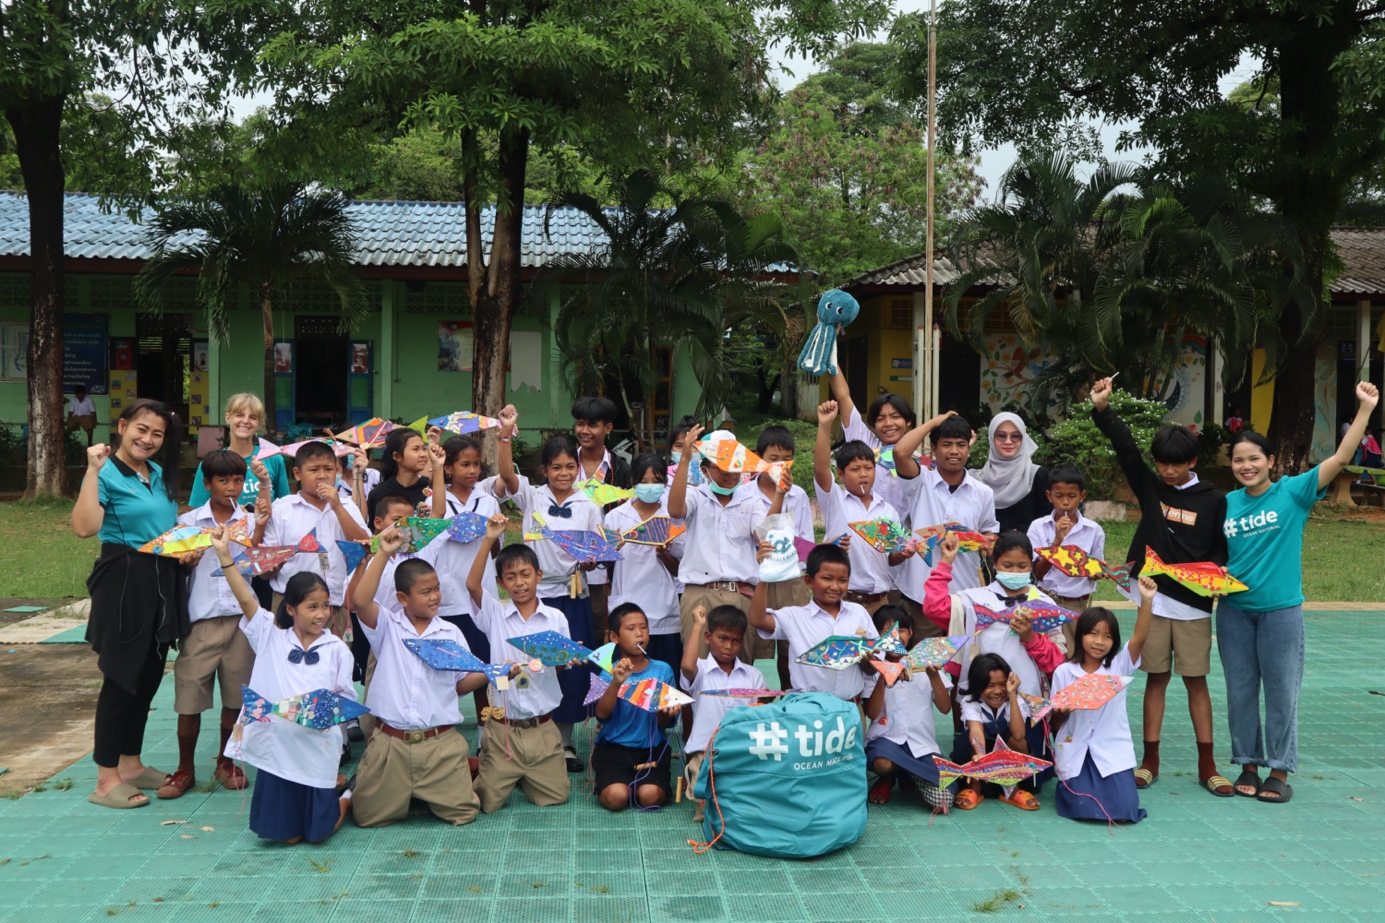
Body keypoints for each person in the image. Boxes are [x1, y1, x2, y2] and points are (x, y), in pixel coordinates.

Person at [1219, 381, 1379, 804]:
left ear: (1271, 461)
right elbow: (1214, 553)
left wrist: (1364, 409)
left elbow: (1342, 457)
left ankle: (1279, 770)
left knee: (1281, 691)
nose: (1246, 465)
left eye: (1254, 458)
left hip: (1280, 612)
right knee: (1239, 691)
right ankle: (1247, 764)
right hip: (1233, 612)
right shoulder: (1227, 504)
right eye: (1239, 460)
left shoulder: (1293, 491)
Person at [1090, 377, 1230, 797]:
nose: (1169, 471)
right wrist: (1102, 409)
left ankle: (1208, 765)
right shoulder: (1151, 486)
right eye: (1163, 463)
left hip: (1194, 605)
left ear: (1193, 460)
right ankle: (1149, 761)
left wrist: (1217, 579)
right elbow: (1126, 450)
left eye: (1177, 463)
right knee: (1155, 678)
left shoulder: (1213, 498)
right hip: (1151, 598)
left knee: (1196, 681)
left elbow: (1220, 551)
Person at [72, 399, 187, 809]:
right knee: (122, 677)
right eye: (141, 429)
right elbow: (85, 528)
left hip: (161, 580)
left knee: (149, 674)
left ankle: (131, 764)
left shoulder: (155, 473)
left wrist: (185, 549)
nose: (148, 439)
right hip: (124, 580)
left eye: (157, 433)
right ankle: (106, 780)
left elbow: (164, 528)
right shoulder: (105, 473)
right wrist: (91, 471)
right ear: (122, 426)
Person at [211, 531, 355, 843]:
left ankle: (347, 796)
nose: (321, 614)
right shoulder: (270, 638)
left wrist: (327, 711)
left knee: (319, 833)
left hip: (318, 747)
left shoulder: (337, 649)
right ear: (290, 609)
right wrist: (225, 556)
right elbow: (246, 598)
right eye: (311, 607)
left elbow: (344, 698)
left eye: (325, 606)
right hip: (278, 749)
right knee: (287, 837)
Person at [350, 527, 487, 826]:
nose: (435, 596)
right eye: (426, 592)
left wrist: (491, 671)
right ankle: (376, 790)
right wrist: (383, 553)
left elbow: (460, 684)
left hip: (438, 744)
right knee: (366, 817)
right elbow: (360, 602)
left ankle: (448, 774)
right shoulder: (387, 626)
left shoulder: (451, 633)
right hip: (391, 743)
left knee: (464, 813)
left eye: (436, 588)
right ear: (402, 597)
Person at [494, 405, 603, 773]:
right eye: (555, 467)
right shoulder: (532, 496)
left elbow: (596, 550)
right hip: (532, 596)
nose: (563, 473)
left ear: (578, 468)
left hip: (572, 596)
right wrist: (506, 433)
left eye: (570, 467)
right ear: (544, 471)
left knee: (571, 668)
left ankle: (566, 741)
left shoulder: (588, 504)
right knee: (529, 665)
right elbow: (507, 474)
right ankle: (524, 733)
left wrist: (591, 561)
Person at [158, 450, 263, 799]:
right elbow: (175, 570)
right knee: (189, 696)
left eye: (237, 480)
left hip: (240, 620)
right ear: (207, 484)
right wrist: (185, 564)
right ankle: (184, 768)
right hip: (201, 620)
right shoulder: (188, 523)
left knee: (236, 696)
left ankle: (226, 760)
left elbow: (258, 564)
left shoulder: (248, 522)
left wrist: (262, 542)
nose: (231, 487)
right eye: (222, 480)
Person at [466, 514, 573, 813]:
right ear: (500, 583)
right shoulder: (495, 614)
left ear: (538, 576)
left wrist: (564, 660)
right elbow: (472, 584)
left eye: (525, 574)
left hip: (542, 726)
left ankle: (526, 775)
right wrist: (489, 539)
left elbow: (561, 666)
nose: (519, 582)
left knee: (556, 797)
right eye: (510, 577)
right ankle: (486, 767)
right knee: (486, 803)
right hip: (502, 729)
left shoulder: (556, 619)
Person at [1050, 577, 1156, 823]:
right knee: (1079, 805)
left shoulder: (1118, 666)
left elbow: (1140, 637)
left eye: (1107, 636)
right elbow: (1055, 723)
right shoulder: (1064, 672)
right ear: (1080, 636)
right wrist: (1065, 710)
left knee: (1125, 809)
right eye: (1092, 634)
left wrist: (1146, 600)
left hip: (1112, 748)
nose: (1099, 642)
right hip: (1075, 746)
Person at [924, 532, 1066, 701]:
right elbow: (934, 607)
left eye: (1022, 566)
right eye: (1007, 565)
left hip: (1029, 697)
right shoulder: (974, 599)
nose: (1015, 571)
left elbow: (1057, 661)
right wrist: (945, 563)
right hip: (981, 701)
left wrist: (1031, 638)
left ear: (1031, 566)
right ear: (994, 564)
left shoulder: (1044, 604)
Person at [418, 434, 500, 724]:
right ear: (448, 468)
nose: (473, 470)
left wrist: (493, 533)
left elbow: (496, 548)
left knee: (483, 664)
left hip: (480, 592)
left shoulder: (488, 501)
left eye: (477, 464)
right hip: (448, 596)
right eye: (465, 464)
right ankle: (440, 724)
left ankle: (485, 729)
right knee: (446, 665)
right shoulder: (433, 501)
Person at [892, 412, 1000, 633]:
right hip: (921, 594)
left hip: (965, 593)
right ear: (933, 449)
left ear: (968, 449)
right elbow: (900, 452)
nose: (954, 451)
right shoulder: (920, 482)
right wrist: (936, 421)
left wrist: (988, 542)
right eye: (946, 444)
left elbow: (990, 532)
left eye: (961, 445)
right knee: (924, 663)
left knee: (962, 663)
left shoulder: (983, 492)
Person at [667, 424, 763, 661]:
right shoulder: (696, 495)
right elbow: (675, 510)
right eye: (722, 468)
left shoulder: (752, 501)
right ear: (706, 470)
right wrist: (685, 460)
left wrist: (780, 493)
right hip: (700, 593)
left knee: (741, 666)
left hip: (741, 593)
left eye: (735, 467)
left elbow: (763, 537)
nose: (730, 475)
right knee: (695, 666)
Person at [813, 401, 913, 618]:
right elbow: (821, 469)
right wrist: (824, 426)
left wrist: (902, 554)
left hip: (881, 602)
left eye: (868, 468)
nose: (863, 474)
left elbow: (891, 558)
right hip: (844, 600)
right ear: (840, 474)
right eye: (855, 469)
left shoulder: (888, 511)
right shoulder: (835, 501)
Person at [748, 544, 878, 701]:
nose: (835, 586)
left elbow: (872, 669)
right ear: (809, 581)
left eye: (842, 580)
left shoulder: (859, 614)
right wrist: (764, 576)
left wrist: (868, 661)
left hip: (849, 709)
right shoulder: (794, 617)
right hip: (809, 710)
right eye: (827, 579)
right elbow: (758, 619)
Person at [679, 604, 766, 822]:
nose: (729, 646)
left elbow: (759, 713)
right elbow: (687, 667)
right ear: (708, 637)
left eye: (736, 641)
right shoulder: (700, 671)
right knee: (705, 807)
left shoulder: (753, 676)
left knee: (742, 803)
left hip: (741, 750)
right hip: (704, 751)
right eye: (723, 638)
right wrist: (697, 625)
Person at [740, 425, 814, 683]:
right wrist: (781, 494)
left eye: (786, 459)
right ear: (759, 458)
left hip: (792, 580)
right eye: (773, 459)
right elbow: (761, 536)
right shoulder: (744, 494)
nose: (780, 465)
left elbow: (805, 542)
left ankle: (789, 694)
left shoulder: (800, 495)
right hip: (757, 580)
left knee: (791, 647)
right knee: (752, 646)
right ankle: (756, 701)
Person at [264, 440, 371, 615]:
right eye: (314, 470)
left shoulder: (347, 505)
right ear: (298, 474)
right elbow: (267, 569)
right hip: (290, 605)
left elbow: (365, 546)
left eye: (329, 469)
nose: (322, 476)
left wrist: (337, 507)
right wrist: (269, 567)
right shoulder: (281, 510)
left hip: (334, 605)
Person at [592, 603, 681, 811]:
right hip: (613, 749)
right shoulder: (607, 672)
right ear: (615, 637)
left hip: (651, 750)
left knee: (650, 797)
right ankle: (623, 785)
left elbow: (663, 723)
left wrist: (667, 710)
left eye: (643, 627)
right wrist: (616, 682)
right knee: (616, 798)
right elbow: (601, 716)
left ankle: (635, 785)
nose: (639, 633)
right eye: (631, 629)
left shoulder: (663, 670)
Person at [863, 606, 951, 809]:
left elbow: (945, 708)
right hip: (886, 740)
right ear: (877, 636)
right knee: (882, 763)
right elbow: (872, 713)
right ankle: (889, 777)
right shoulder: (873, 668)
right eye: (886, 631)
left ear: (911, 632)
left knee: (943, 802)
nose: (895, 636)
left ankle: (911, 774)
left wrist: (934, 675)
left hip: (921, 743)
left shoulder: (925, 663)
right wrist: (885, 677)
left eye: (901, 629)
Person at [605, 453, 682, 678]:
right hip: (627, 608)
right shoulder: (615, 517)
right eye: (643, 481)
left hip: (662, 612)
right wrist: (612, 550)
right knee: (629, 677)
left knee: (664, 676)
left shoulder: (672, 518)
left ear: (665, 484)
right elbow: (604, 564)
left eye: (656, 481)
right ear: (632, 483)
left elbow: (680, 570)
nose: (650, 487)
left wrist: (664, 553)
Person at [572, 396, 633, 642]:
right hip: (564, 562)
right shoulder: (563, 463)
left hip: (604, 568)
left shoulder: (621, 470)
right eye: (580, 423)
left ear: (608, 428)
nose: (584, 431)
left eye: (592, 425)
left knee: (601, 625)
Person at [1027, 465, 1106, 648]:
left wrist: (1097, 572)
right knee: (1045, 654)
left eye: (1071, 496)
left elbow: (1096, 567)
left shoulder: (1093, 531)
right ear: (1049, 496)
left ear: (1082, 496)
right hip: (1044, 600)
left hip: (1076, 604)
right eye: (1059, 496)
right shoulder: (1038, 527)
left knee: (1074, 656)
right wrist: (1056, 542)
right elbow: (1036, 573)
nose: (1065, 502)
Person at [952, 653, 1037, 811]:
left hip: (1007, 759)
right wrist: (980, 754)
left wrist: (1012, 694)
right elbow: (976, 729)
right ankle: (975, 788)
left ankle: (1012, 788)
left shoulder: (1015, 699)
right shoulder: (969, 701)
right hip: (981, 754)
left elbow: (1018, 735)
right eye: (990, 685)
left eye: (1003, 684)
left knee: (1018, 741)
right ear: (978, 685)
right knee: (968, 740)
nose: (998, 691)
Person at [828, 368, 916, 515]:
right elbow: (843, 397)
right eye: (880, 419)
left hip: (899, 536)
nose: (888, 423)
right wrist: (831, 359)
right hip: (858, 530)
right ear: (873, 424)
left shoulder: (919, 464)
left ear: (907, 421)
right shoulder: (865, 444)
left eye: (895, 417)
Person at [189, 393, 291, 508]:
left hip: (266, 525)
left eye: (253, 417)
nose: (246, 421)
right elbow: (198, 510)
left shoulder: (273, 458)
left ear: (259, 424)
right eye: (239, 415)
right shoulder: (211, 463)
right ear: (228, 418)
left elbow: (285, 506)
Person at [973, 412, 1051, 535]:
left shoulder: (1036, 475)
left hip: (1027, 551)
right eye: (1001, 436)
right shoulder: (976, 479)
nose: (1008, 442)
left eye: (1015, 436)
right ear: (991, 439)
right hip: (985, 552)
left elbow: (1046, 522)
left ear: (1023, 439)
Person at [365, 427, 445, 524]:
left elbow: (438, 514)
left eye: (424, 448)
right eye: (416, 449)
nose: (423, 454)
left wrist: (438, 465)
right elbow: (375, 532)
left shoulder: (430, 487)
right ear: (397, 456)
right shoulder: (378, 493)